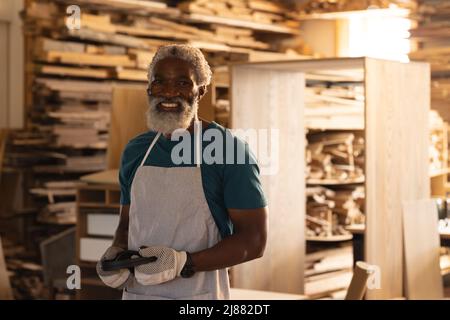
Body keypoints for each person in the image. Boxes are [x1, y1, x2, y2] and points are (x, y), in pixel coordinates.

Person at [96, 44, 268, 300]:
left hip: (198, 297)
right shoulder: (135, 151)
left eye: (183, 83)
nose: (169, 92)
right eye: (159, 82)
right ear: (149, 89)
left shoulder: (227, 150)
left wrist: (182, 262)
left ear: (201, 91)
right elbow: (127, 224)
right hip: (138, 295)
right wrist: (116, 252)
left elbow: (253, 241)